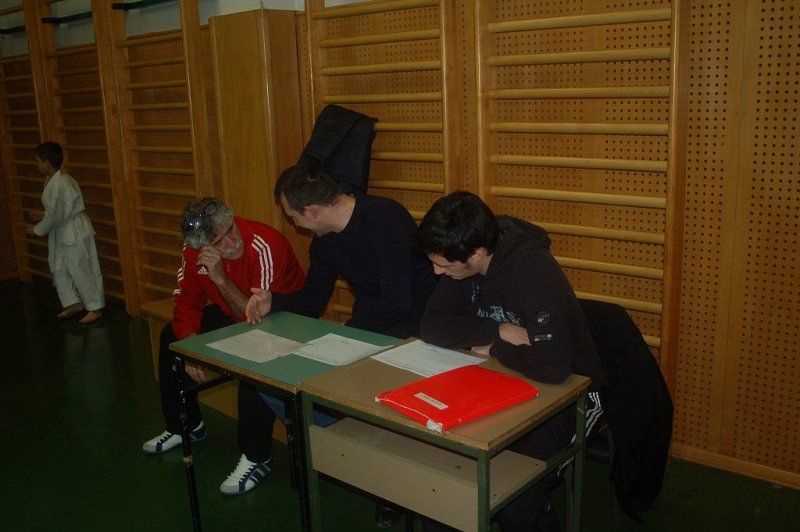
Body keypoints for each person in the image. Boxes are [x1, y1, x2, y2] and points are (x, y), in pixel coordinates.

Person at [245, 164, 437, 526]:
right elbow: (313, 300)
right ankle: (368, 462)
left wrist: (349, 335)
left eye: (294, 217)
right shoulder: (325, 241)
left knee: (367, 393)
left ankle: (392, 482)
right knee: (282, 386)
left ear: (312, 211)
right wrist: (274, 301)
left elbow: (398, 301)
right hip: (371, 328)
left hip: (419, 328)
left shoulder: (384, 218)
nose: (296, 224)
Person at [415, 191, 606, 532]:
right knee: (445, 477)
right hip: (506, 381)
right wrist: (497, 331)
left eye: (443, 264)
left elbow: (552, 367)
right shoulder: (461, 265)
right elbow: (431, 325)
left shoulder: (533, 268)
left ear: (476, 253)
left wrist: (494, 349)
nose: (436, 271)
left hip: (573, 394)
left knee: (517, 491)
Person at [141, 198, 306, 496]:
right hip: (235, 311)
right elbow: (186, 302)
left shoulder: (264, 243)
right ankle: (185, 426)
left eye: (230, 230)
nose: (231, 243)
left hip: (284, 319)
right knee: (171, 337)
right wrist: (190, 348)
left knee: (254, 357)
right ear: (203, 247)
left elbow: (256, 317)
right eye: (218, 242)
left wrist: (219, 278)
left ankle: (257, 456)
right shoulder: (193, 253)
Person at [26, 141, 104, 324]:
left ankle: (95, 308)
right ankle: (73, 302)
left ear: (47, 162)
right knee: (59, 267)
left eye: (38, 161)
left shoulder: (63, 182)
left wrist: (36, 229)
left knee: (80, 268)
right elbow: (58, 211)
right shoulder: (53, 181)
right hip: (62, 228)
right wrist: (43, 215)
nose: (37, 165)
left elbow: (58, 214)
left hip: (74, 230)